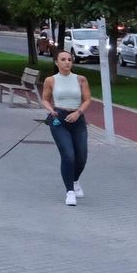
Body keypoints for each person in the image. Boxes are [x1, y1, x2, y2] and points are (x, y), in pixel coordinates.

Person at [40, 50, 92, 206]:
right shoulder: (51, 80)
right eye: (63, 59)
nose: (67, 62)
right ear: (56, 62)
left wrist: (79, 112)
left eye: (69, 59)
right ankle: (70, 192)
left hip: (77, 119)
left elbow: (87, 99)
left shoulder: (81, 79)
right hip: (59, 120)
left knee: (81, 157)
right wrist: (51, 111)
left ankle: (75, 181)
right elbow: (45, 99)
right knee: (68, 155)